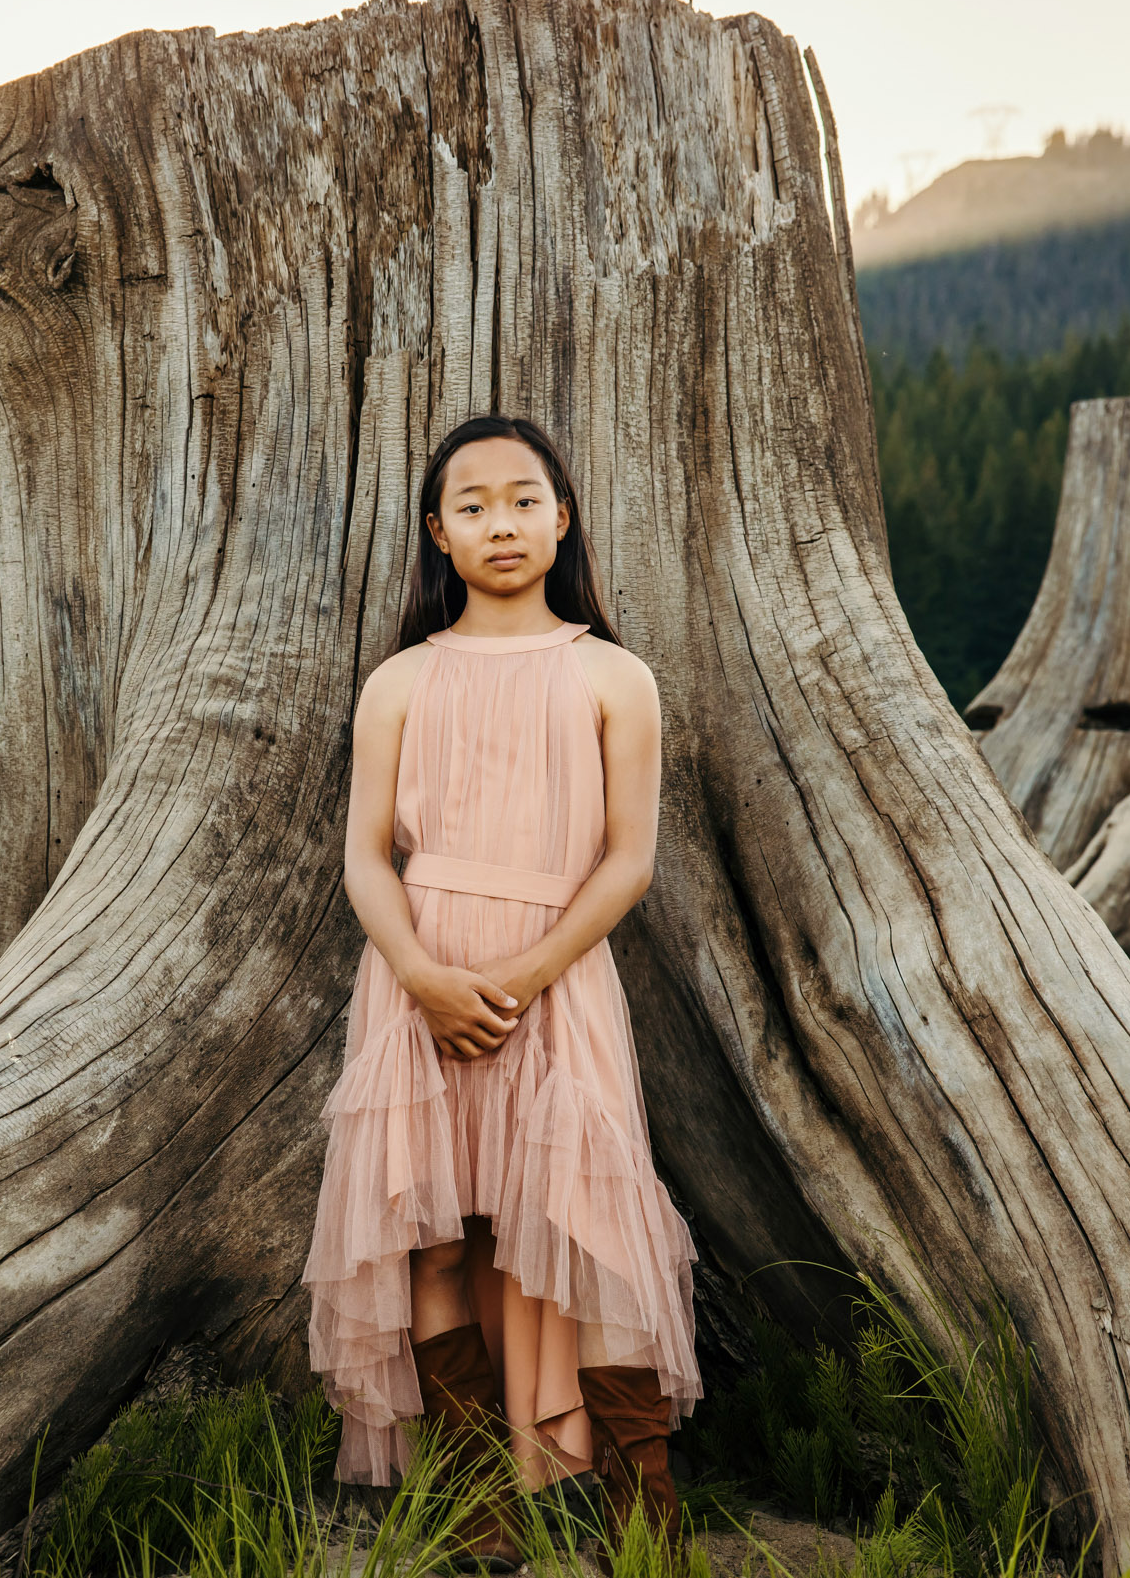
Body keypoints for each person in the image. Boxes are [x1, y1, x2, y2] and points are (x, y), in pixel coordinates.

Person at [303, 415, 700, 1569]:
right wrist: (424, 978)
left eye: (524, 499)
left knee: (588, 1220)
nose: (501, 523)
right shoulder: (402, 680)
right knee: (434, 1235)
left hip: (557, 981)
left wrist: (520, 979)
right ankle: (478, 1502)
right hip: (418, 980)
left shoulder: (611, 674)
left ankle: (638, 1497)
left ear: (562, 515)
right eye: (471, 504)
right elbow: (365, 857)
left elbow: (627, 859)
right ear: (438, 532)